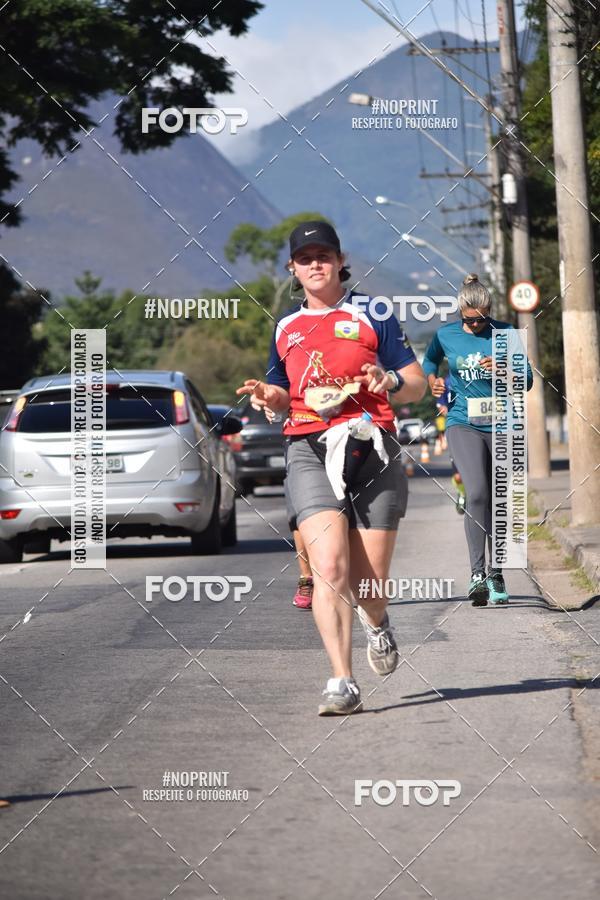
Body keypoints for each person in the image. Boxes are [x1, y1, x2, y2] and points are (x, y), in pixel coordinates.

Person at [237, 220, 426, 715]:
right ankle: (342, 681)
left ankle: (378, 623)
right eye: (305, 258)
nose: (315, 264)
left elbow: (415, 384)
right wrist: (266, 395)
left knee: (369, 583)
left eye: (324, 255)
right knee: (330, 567)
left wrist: (387, 380)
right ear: (293, 270)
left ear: (341, 261)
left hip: (372, 445)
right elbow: (282, 391)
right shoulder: (285, 326)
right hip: (309, 445)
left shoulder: (374, 312)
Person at [423, 273, 533, 606]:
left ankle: (496, 573)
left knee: (501, 501)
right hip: (463, 421)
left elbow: (526, 380)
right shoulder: (446, 334)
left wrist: (501, 369)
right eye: (470, 320)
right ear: (461, 314)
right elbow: (430, 360)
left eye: (482, 319)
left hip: (502, 423)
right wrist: (433, 381)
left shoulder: (507, 334)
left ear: (489, 311)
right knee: (478, 492)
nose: (476, 325)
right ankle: (476, 574)